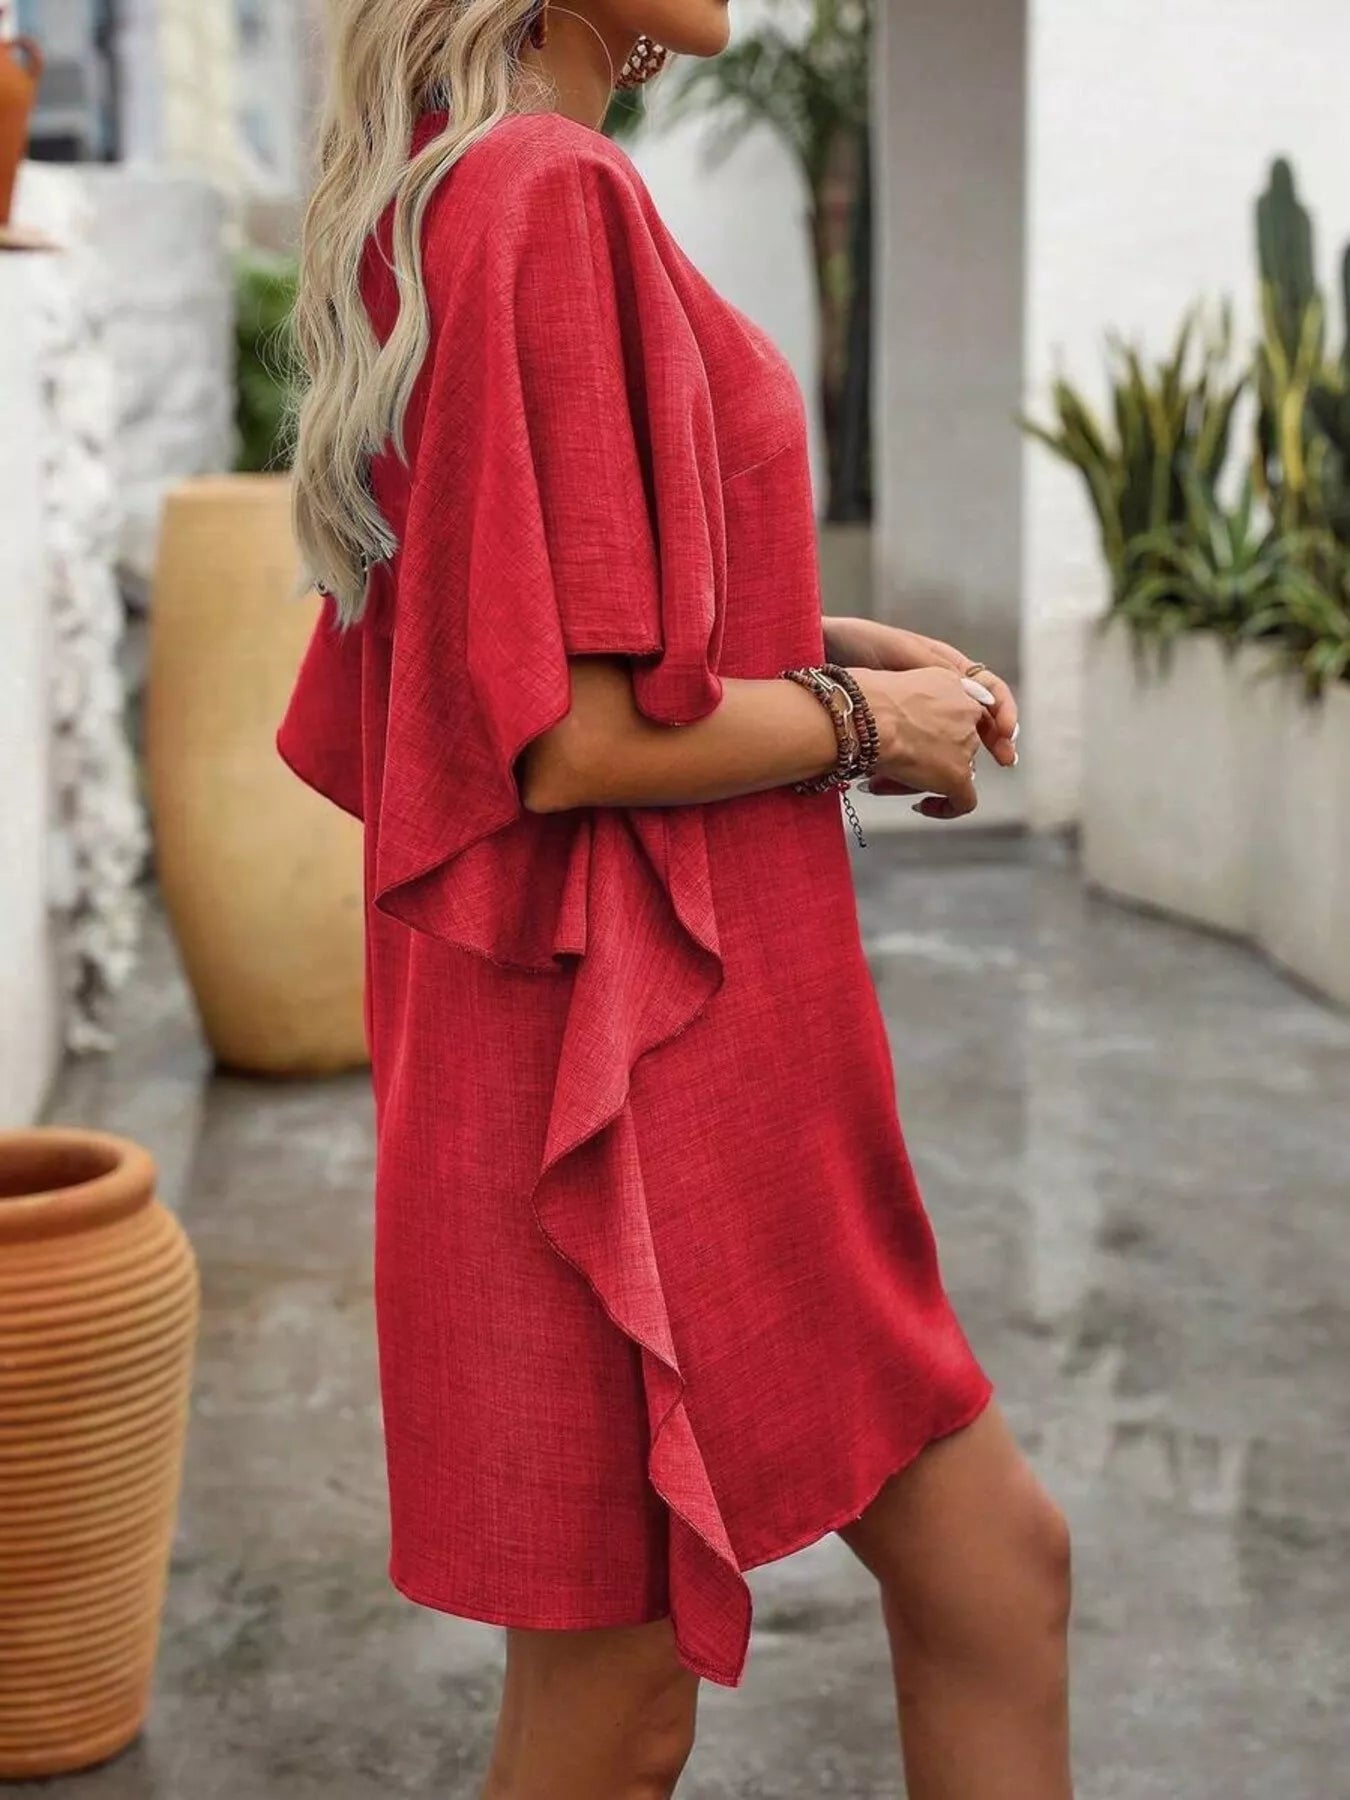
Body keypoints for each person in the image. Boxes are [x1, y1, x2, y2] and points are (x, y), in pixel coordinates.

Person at [277, 2, 1073, 1795]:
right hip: (620, 1060)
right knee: (610, 1716)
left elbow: (556, 609)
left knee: (994, 1572)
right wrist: (872, 723)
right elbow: (557, 738)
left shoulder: (452, 184)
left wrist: (827, 648)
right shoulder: (546, 188)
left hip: (679, 1038)